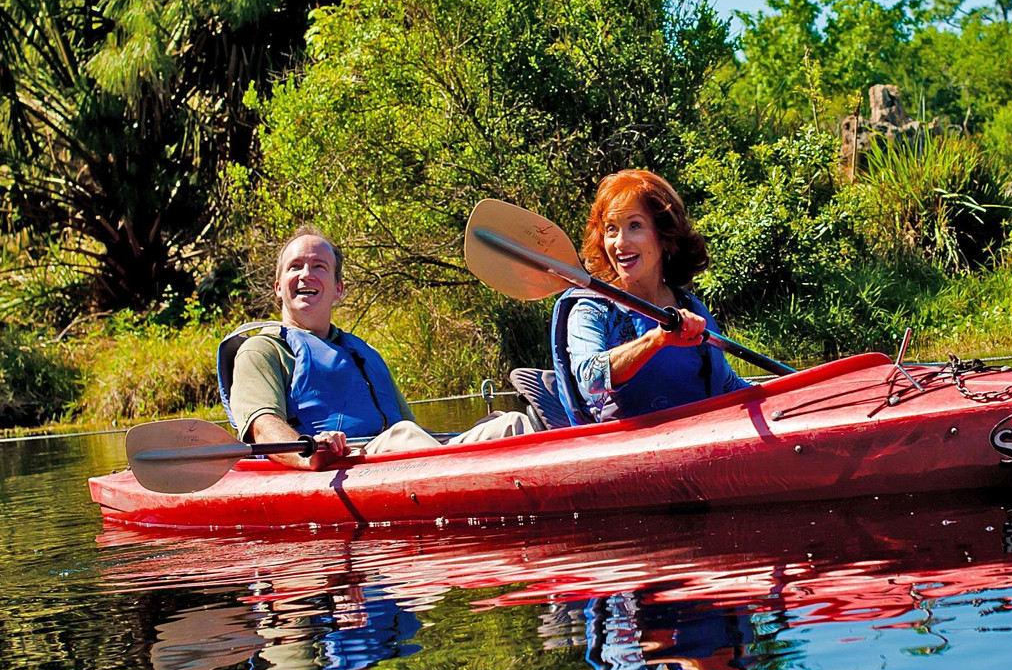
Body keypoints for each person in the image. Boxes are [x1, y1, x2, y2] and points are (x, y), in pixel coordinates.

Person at [219, 226, 533, 466]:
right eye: (295, 266)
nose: (306, 275)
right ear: (278, 287)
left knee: (512, 424)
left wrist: (470, 436)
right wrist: (309, 452)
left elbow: (412, 429)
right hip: (336, 464)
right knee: (403, 437)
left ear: (338, 289)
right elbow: (263, 428)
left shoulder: (364, 353)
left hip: (399, 457)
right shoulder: (262, 351)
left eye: (318, 266)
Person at [551, 170, 752, 424]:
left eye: (634, 226)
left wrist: (791, 392)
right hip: (623, 443)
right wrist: (657, 340)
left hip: (695, 436)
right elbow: (591, 378)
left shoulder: (691, 307)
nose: (620, 243)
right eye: (611, 229)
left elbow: (726, 385)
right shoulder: (590, 309)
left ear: (664, 236)